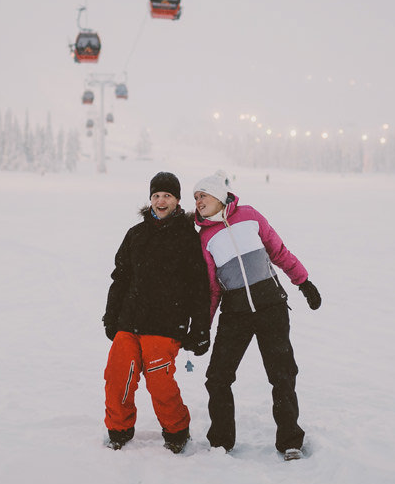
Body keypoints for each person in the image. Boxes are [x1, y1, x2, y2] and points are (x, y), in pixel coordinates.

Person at [193, 170, 322, 461]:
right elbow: (213, 288)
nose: (198, 201)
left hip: (271, 308)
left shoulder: (250, 215)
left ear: (218, 195)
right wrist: (204, 328)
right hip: (235, 312)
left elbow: (278, 251)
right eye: (196, 198)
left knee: (282, 375)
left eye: (203, 195)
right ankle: (221, 442)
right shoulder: (205, 238)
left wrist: (303, 282)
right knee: (217, 377)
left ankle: (290, 441)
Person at [102, 171, 211, 454]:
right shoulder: (135, 235)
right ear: (150, 199)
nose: (161, 201)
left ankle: (176, 430)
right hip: (130, 320)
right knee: (118, 376)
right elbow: (121, 278)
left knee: (160, 381)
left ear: (177, 200)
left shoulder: (188, 238)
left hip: (165, 324)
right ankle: (119, 429)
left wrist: (200, 328)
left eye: (167, 196)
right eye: (156, 195)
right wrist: (111, 316)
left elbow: (200, 287)